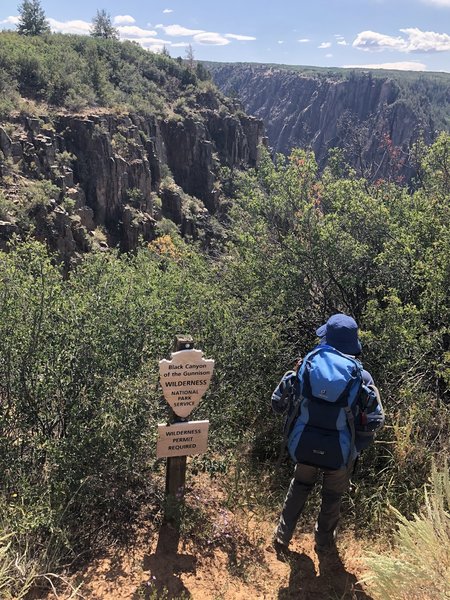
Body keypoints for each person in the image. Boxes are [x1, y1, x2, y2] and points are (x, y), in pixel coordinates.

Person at [271, 313, 383, 557]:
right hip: (341, 451)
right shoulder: (362, 377)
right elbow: (377, 419)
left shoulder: (306, 366)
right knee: (332, 496)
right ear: (352, 342)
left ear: (327, 338)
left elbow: (277, 401)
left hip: (304, 442)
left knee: (299, 486)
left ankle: (282, 537)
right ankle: (324, 545)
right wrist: (357, 444)